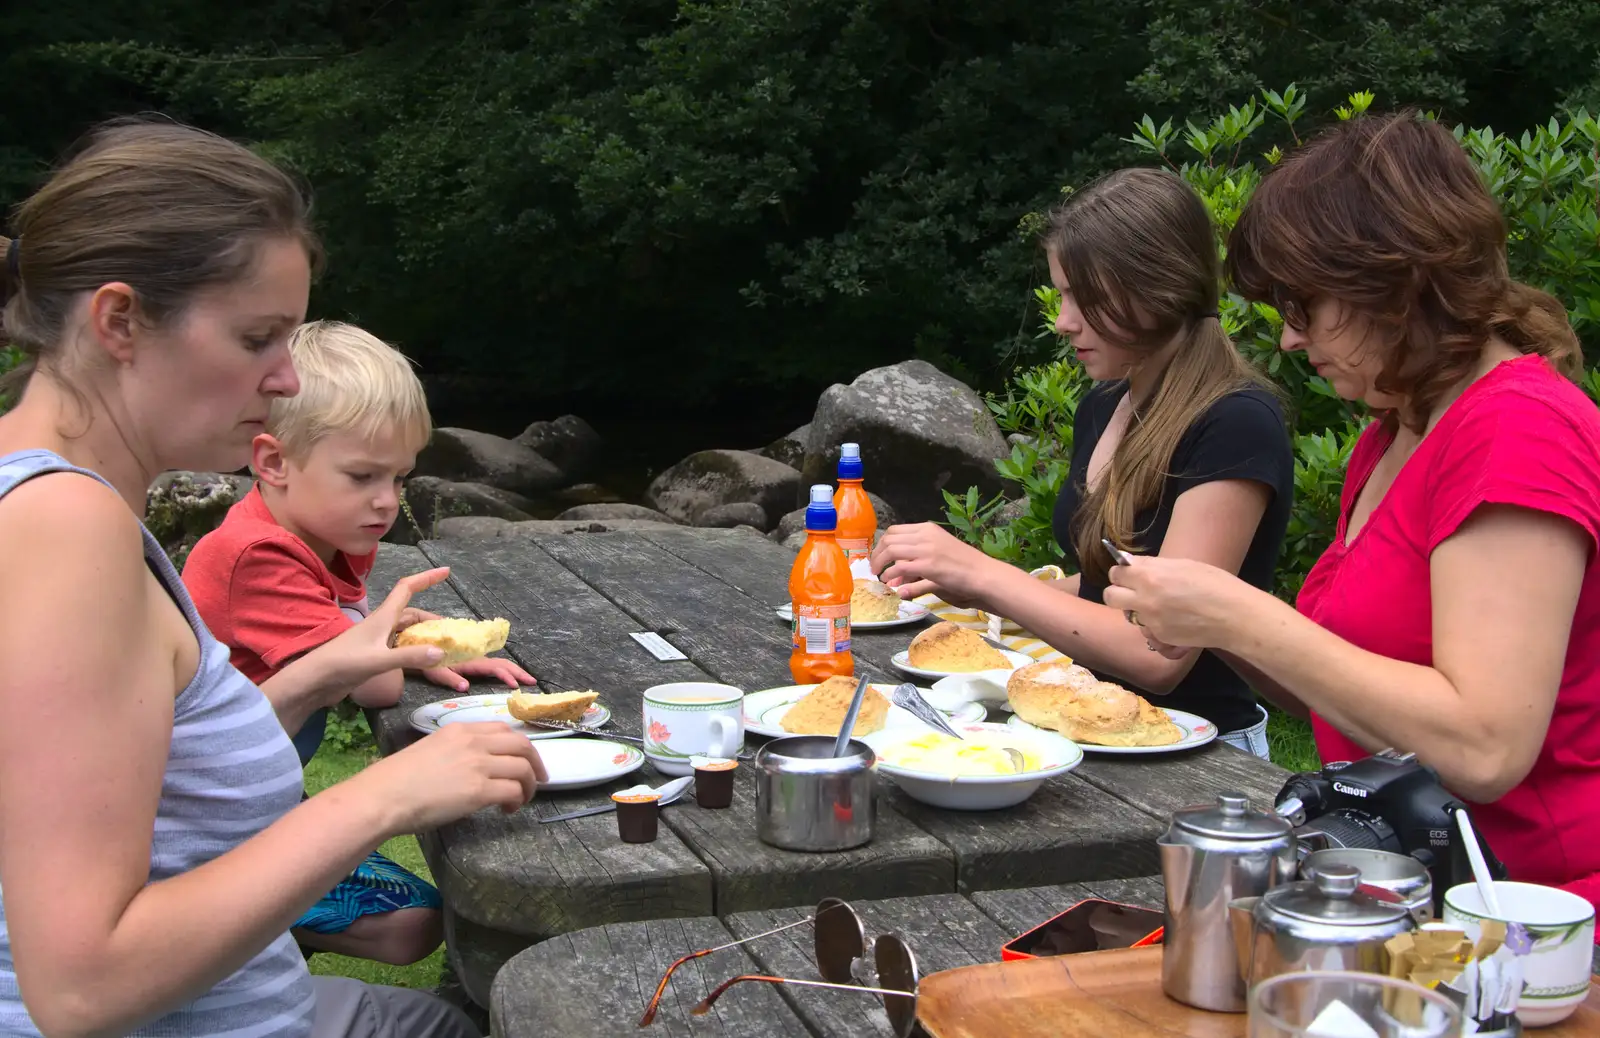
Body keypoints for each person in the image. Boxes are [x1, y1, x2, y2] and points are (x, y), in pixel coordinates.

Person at [0, 116, 547, 1037]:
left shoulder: (46, 497)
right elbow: (82, 986)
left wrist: (326, 670)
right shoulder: (67, 530)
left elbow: (148, 761)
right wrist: (387, 797)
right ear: (120, 320)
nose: (287, 380)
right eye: (259, 337)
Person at [1103, 112, 1600, 925]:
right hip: (1410, 900)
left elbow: (1485, 744)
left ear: (1394, 279)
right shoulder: (1395, 432)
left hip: (1540, 934)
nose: (1292, 340)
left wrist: (1241, 614)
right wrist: (1211, 624)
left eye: (1304, 305)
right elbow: (1354, 694)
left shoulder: (1518, 430)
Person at [871, 167, 1295, 755]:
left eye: (1083, 297)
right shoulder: (1104, 405)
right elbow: (1105, 587)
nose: (1063, 320)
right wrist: (961, 587)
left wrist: (984, 577)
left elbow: (1158, 655)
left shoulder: (1235, 422)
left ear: (1158, 287)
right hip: (1090, 727)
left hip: (1199, 751)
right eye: (1062, 293)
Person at [182, 319, 535, 967]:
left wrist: (436, 644)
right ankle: (245, 933)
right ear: (273, 462)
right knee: (411, 924)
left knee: (423, 912)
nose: (386, 503)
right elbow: (376, 681)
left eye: (400, 479)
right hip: (211, 823)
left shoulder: (318, 534)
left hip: (260, 791)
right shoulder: (259, 555)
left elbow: (355, 633)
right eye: (362, 476)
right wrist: (398, 652)